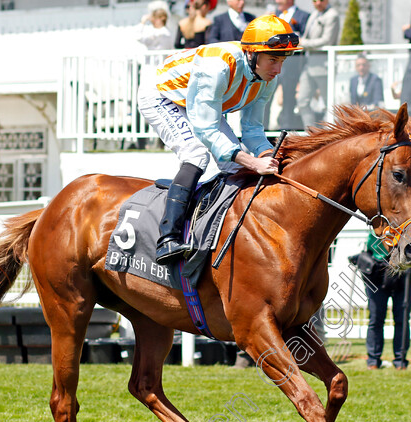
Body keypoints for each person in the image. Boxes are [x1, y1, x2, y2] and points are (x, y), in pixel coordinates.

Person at [139, 15, 301, 265]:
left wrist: (267, 157)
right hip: (163, 96)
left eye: (282, 61)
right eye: (273, 60)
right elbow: (205, 127)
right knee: (196, 154)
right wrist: (251, 161)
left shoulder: (267, 78)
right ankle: (167, 238)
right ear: (252, 53)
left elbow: (253, 130)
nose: (278, 69)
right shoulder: (219, 65)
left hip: (199, 105)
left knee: (235, 166)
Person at [357, 234, 411, 370]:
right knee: (376, 318)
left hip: (404, 270)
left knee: (402, 318)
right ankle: (373, 360)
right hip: (377, 271)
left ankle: (400, 361)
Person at [297, 0, 341, 128]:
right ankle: (311, 134)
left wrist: (303, 43)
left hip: (324, 66)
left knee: (329, 103)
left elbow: (327, 40)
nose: (317, 3)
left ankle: (331, 133)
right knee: (302, 101)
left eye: (321, 0)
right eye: (314, 1)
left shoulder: (332, 15)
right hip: (309, 65)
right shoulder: (314, 14)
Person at [274, 0, 310, 130]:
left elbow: (303, 38)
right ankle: (262, 129)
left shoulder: (303, 16)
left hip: (291, 63)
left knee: (288, 97)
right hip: (273, 61)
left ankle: (286, 129)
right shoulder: (274, 14)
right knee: (266, 95)